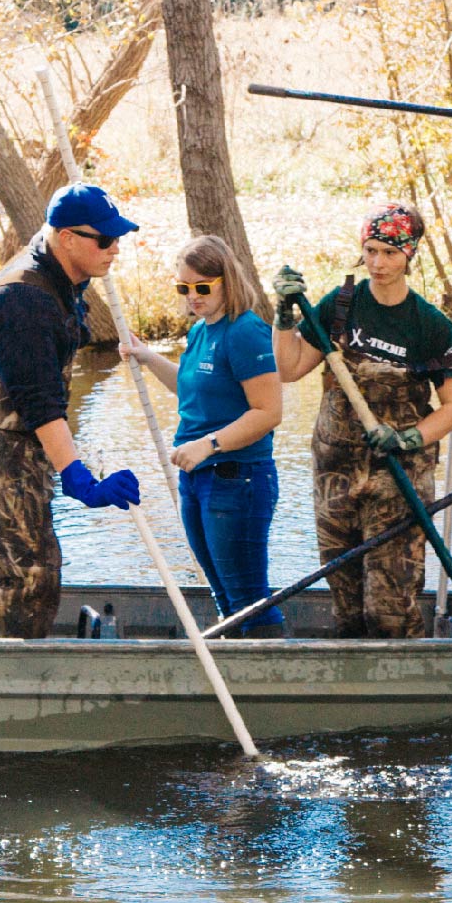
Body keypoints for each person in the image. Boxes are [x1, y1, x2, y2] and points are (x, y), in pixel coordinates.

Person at [0, 183, 142, 639]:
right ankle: (7, 678)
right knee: (25, 570)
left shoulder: (62, 280)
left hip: (16, 431)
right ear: (66, 238)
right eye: (104, 240)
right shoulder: (22, 299)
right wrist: (76, 474)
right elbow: (40, 400)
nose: (115, 250)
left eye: (118, 239)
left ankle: (5, 651)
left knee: (34, 563)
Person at [273, 202, 452, 639]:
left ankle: (404, 683)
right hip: (335, 473)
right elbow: (289, 369)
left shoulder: (430, 326)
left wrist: (407, 437)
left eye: (389, 253)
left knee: (389, 602)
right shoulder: (340, 306)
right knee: (344, 596)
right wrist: (283, 316)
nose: (377, 263)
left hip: (396, 477)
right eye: (371, 250)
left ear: (410, 254)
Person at [119, 234, 285, 635]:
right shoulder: (200, 331)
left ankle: (273, 682)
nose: (192, 296)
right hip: (196, 478)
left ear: (225, 280)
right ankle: (234, 676)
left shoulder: (245, 332)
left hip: (236, 478)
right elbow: (191, 387)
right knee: (222, 595)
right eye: (184, 287)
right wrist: (147, 357)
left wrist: (208, 445)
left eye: (202, 287)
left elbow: (269, 412)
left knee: (248, 599)